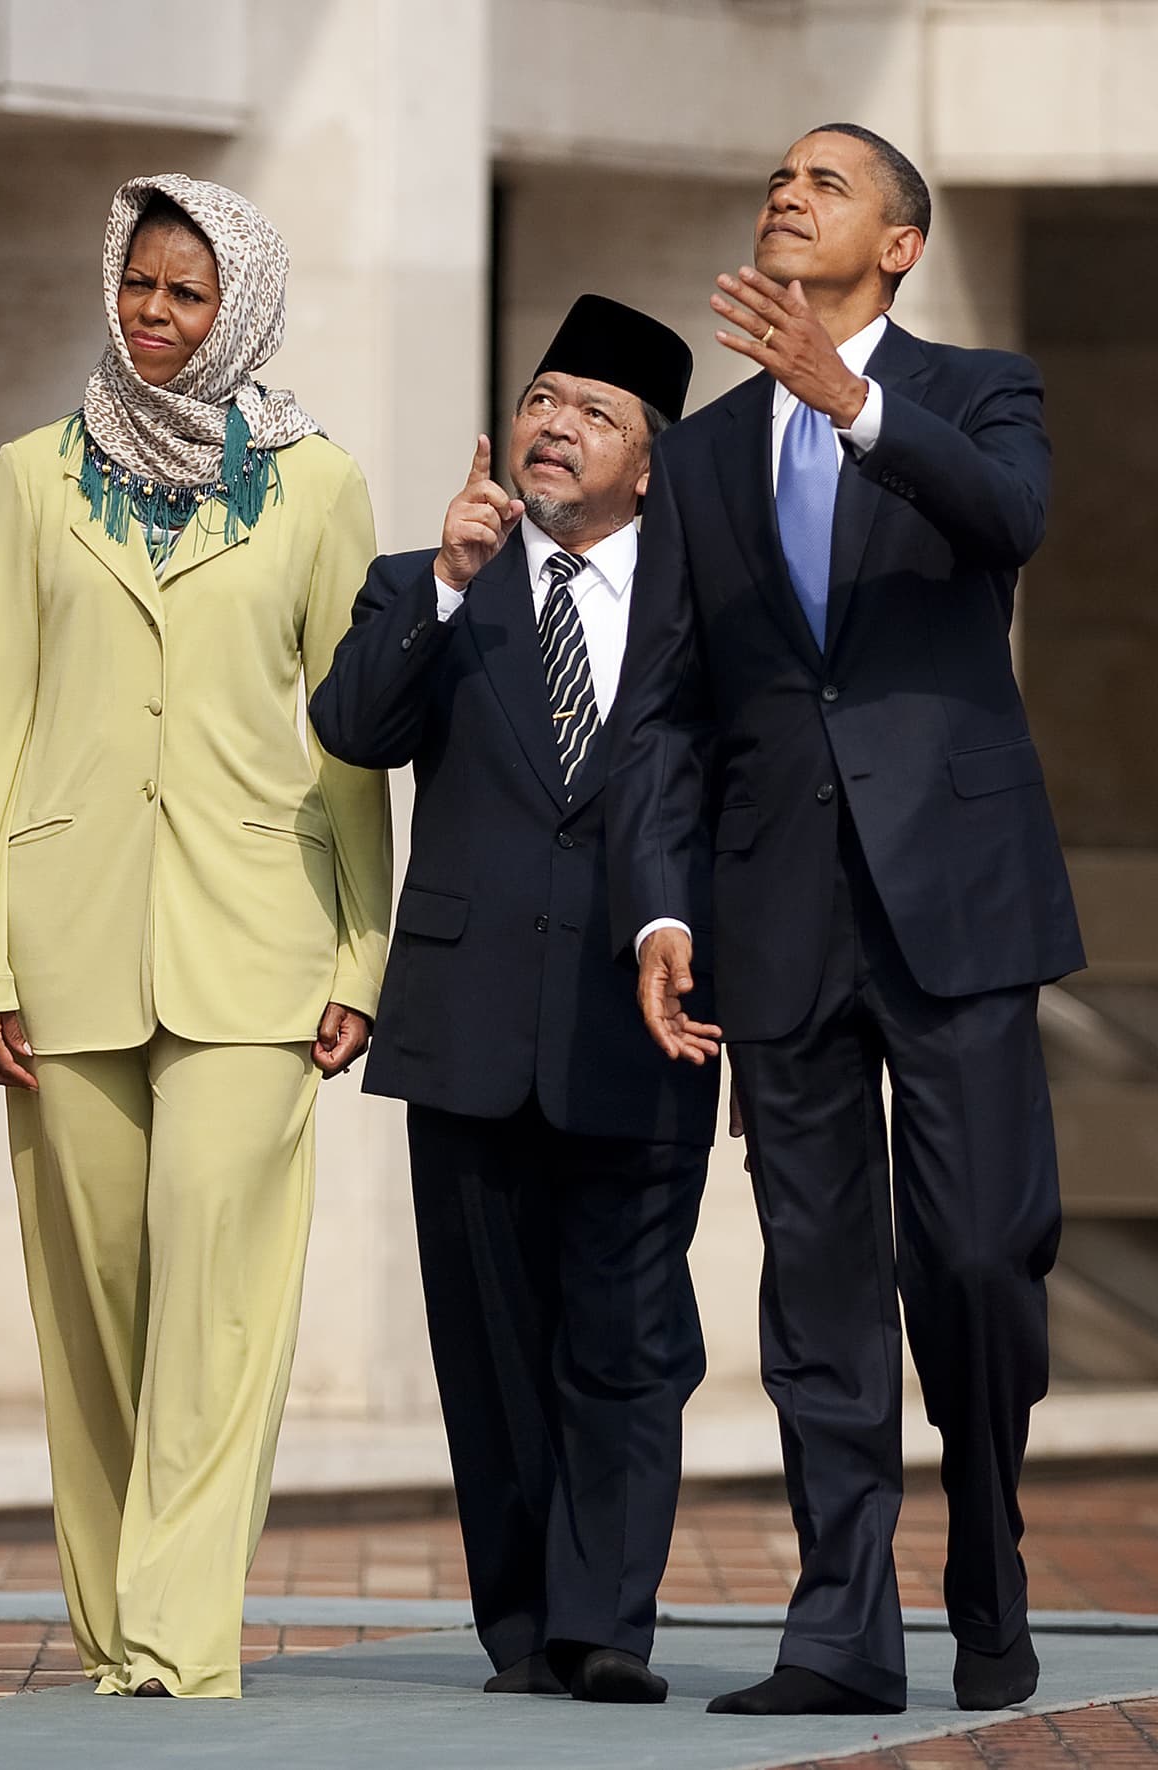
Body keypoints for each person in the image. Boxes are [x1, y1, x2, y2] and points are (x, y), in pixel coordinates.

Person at [608, 125, 1084, 1718]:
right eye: (780, 178)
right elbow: (665, 706)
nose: (787, 193)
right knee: (815, 1279)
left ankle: (990, 1556)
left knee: (979, 1254)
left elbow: (1008, 519)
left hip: (961, 901)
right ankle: (840, 1632)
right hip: (778, 916)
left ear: (900, 245)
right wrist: (662, 908)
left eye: (827, 181)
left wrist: (852, 403)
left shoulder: (979, 391)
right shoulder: (698, 455)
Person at [0, 172, 391, 1699]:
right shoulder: (32, 475)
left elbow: (349, 741)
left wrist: (363, 951)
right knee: (98, 1301)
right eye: (139, 284)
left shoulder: (319, 486)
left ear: (239, 307)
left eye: (187, 293)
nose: (154, 314)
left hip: (259, 940)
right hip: (63, 942)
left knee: (218, 1290)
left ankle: (178, 1636)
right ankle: (111, 1618)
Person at [310, 297, 717, 1705]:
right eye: (543, 398)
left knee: (629, 1331)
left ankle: (608, 1621)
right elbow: (352, 727)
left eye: (596, 412)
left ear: (649, 467)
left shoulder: (703, 606)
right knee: (489, 1342)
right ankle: (525, 1619)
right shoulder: (429, 581)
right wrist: (447, 582)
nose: (556, 425)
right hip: (469, 1018)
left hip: (642, 1018)